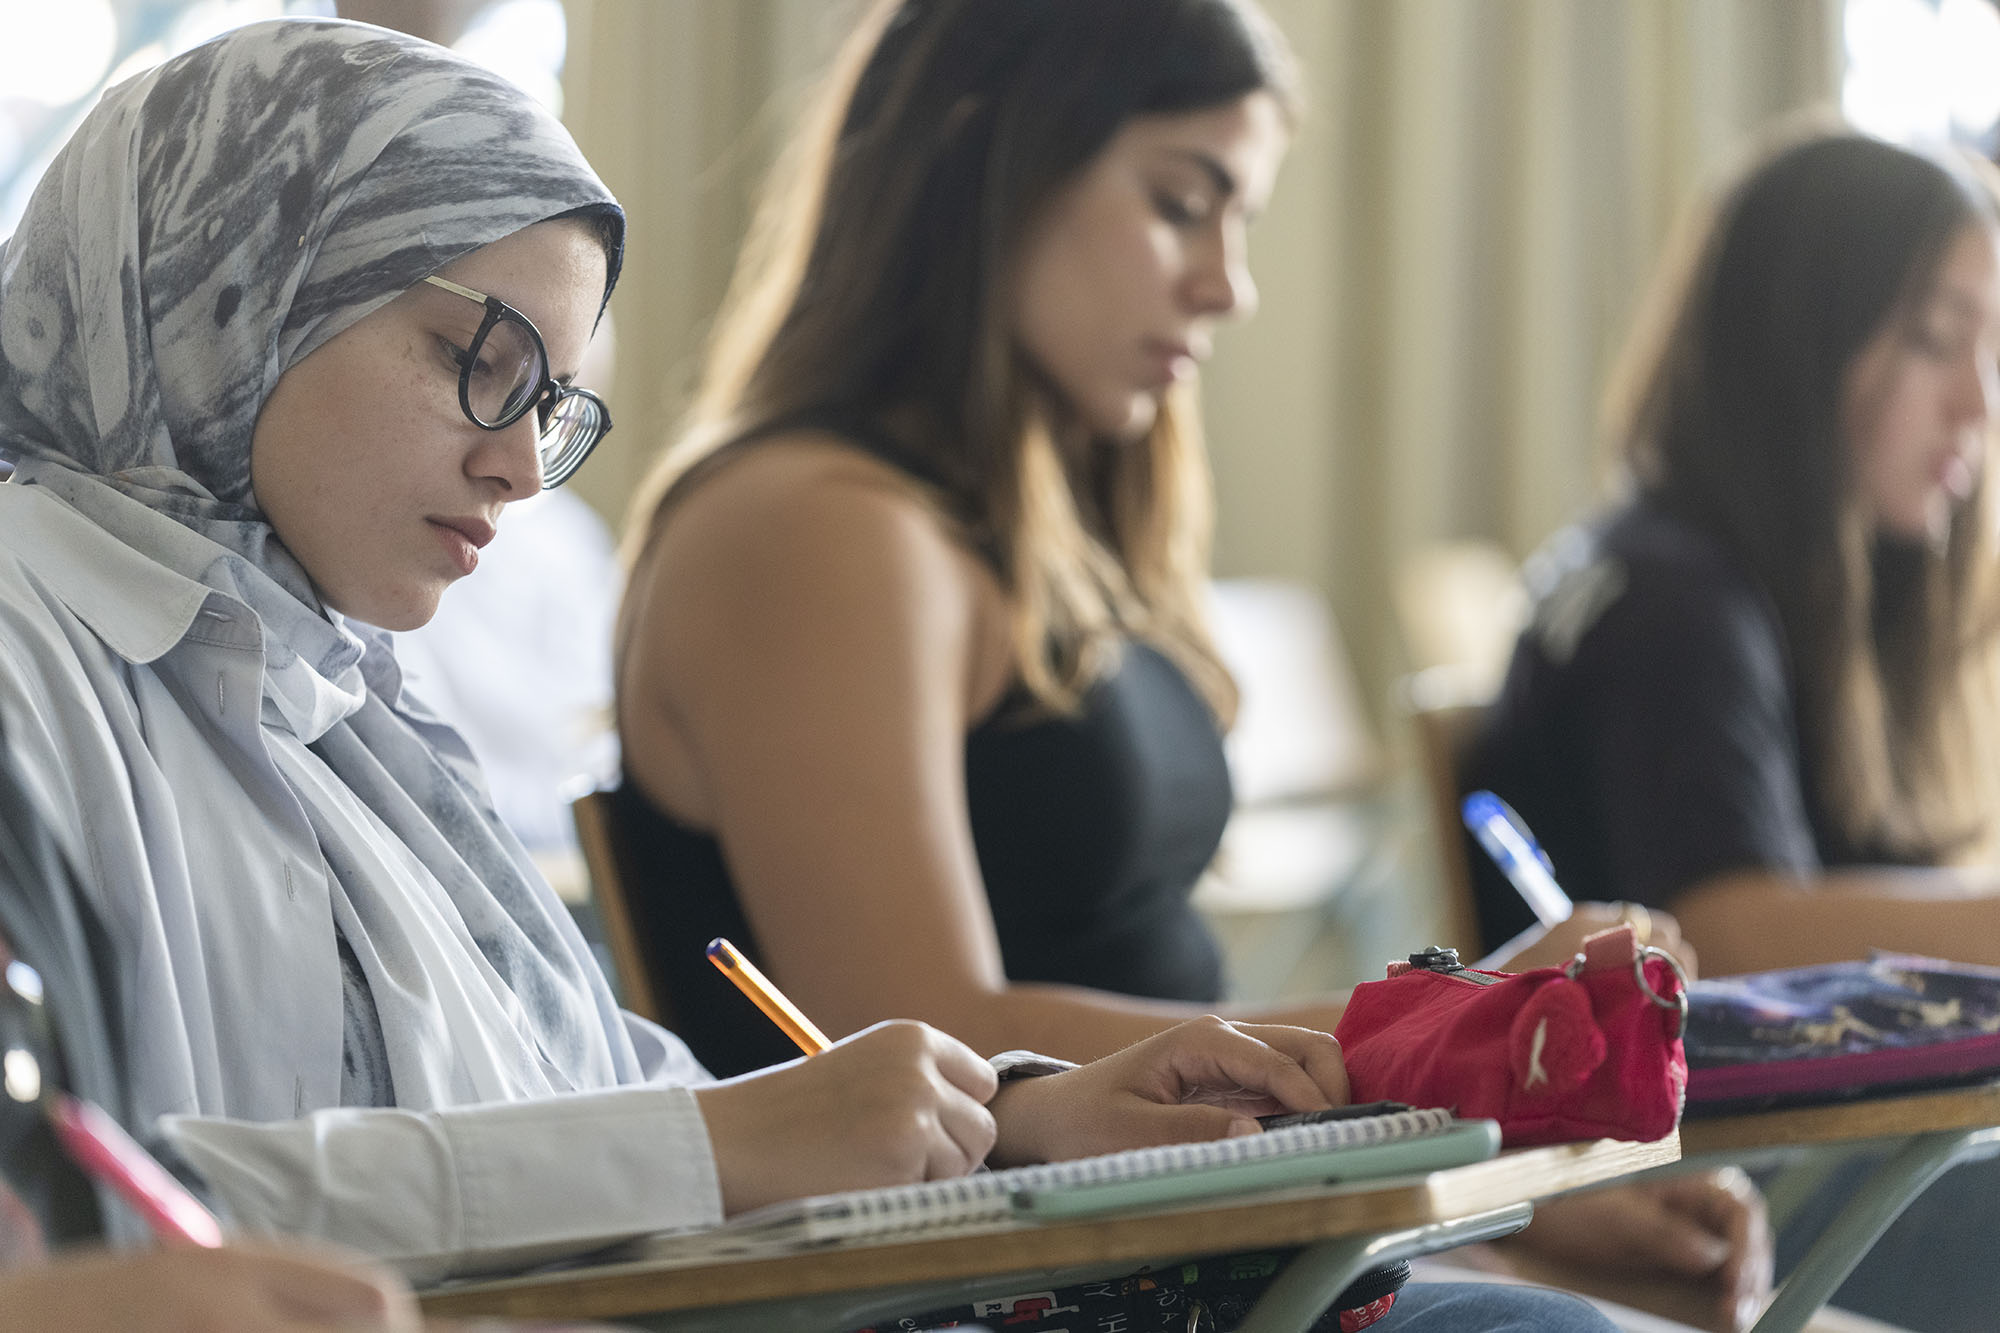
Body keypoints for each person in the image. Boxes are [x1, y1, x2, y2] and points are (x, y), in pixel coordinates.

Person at [0, 17, 1616, 1333]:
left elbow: (575, 1096)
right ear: (224, 287)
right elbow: (81, 1222)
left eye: (550, 402)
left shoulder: (346, 703)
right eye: (474, 356)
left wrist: (1012, 1110)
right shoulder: (39, 652)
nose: (514, 464)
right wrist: (721, 1140)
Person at [610, 2, 1760, 1328]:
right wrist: (1450, 1028)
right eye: (1180, 203)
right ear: (989, 162)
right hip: (996, 1289)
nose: (1228, 284)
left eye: (1241, 220)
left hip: (1169, 1247)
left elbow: (1154, 1062)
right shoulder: (811, 526)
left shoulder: (1023, 533)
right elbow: (923, 1041)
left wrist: (1505, 1217)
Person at [1458, 127, 2000, 1332]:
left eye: (1989, 348)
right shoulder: (1670, 601)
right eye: (1930, 338)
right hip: (1692, 1169)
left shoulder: (1709, 574)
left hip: (1763, 1139)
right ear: (1798, 342)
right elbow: (1732, 926)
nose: (1976, 400)